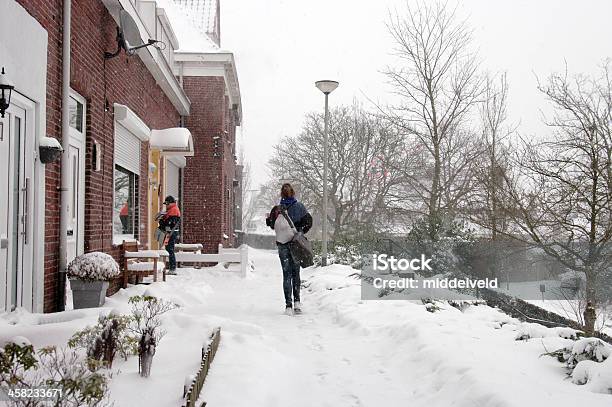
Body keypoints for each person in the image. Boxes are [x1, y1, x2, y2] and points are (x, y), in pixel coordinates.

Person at [266, 183, 312, 315]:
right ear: (293, 193)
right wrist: (300, 232)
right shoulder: (300, 207)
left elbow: (271, 224)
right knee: (295, 273)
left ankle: (288, 306)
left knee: (286, 275)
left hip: (282, 245)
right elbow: (309, 222)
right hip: (295, 244)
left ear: (281, 194)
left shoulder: (276, 209)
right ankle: (297, 303)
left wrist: (268, 220)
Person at [158, 195, 181, 275]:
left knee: (170, 250)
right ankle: (172, 267)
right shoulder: (172, 209)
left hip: (171, 232)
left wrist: (162, 221)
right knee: (169, 249)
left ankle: (172, 268)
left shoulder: (173, 210)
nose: (166, 205)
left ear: (171, 203)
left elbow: (170, 223)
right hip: (171, 232)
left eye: (167, 204)